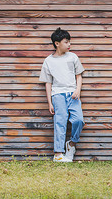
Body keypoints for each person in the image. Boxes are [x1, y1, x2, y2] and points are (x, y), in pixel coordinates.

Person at [39, 28, 85, 162]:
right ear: (57, 43)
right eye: (66, 42)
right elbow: (48, 83)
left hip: (73, 95)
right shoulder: (48, 61)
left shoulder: (73, 57)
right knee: (60, 123)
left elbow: (79, 75)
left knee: (78, 120)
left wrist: (78, 90)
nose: (69, 44)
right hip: (57, 95)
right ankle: (58, 154)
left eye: (69, 42)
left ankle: (71, 144)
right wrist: (50, 102)